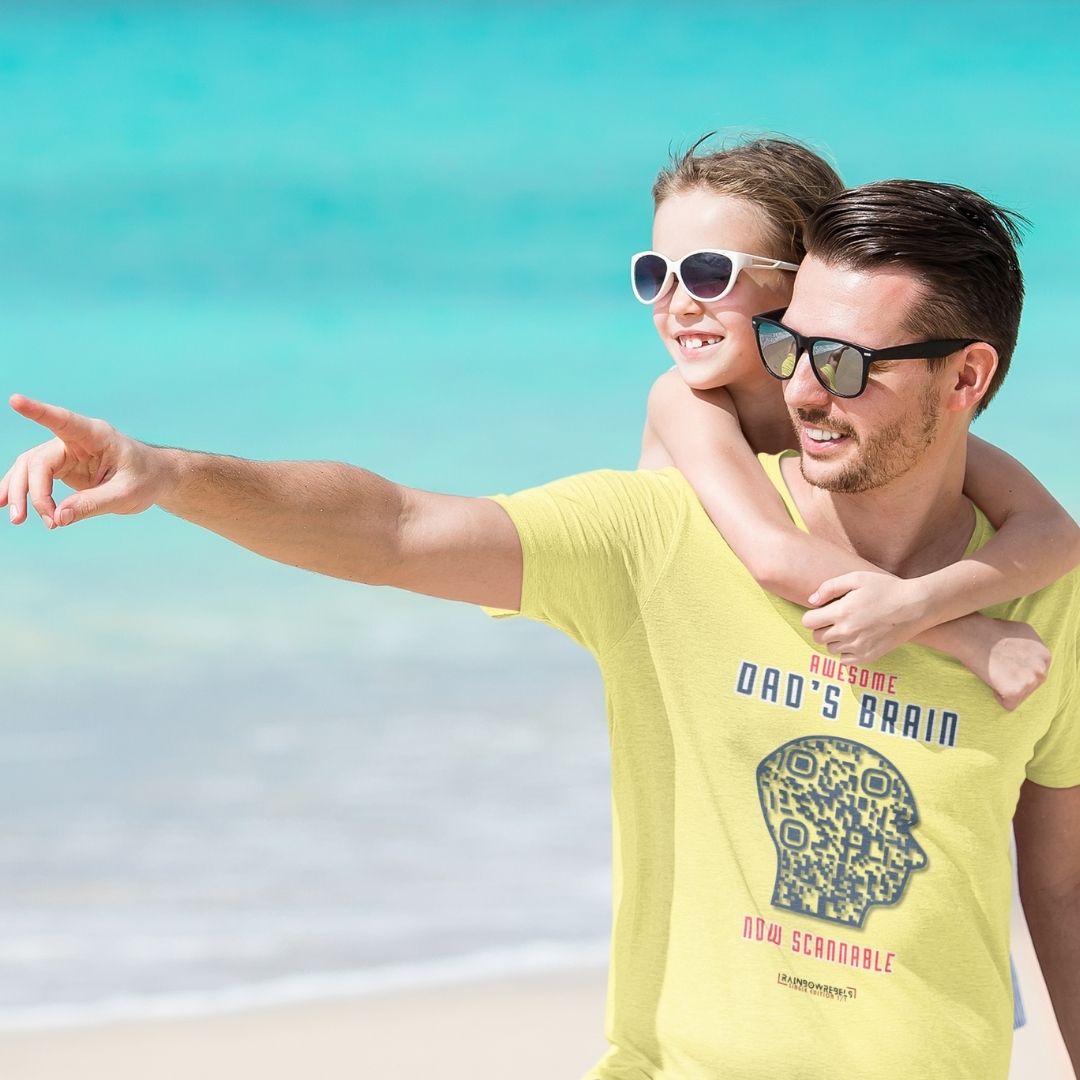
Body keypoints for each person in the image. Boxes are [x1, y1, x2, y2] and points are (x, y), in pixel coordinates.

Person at [3, 178, 1079, 1078]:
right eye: (793, 351)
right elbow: (394, 526)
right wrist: (173, 475)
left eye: (845, 365)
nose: (803, 389)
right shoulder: (666, 531)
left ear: (966, 378)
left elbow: (1065, 885)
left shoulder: (1044, 591)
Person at [634, 137, 1080, 709]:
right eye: (655, 273)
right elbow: (773, 551)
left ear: (809, 276)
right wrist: (962, 632)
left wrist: (922, 600)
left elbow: (1054, 534)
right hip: (688, 680)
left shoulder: (863, 405)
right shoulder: (685, 400)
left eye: (708, 273)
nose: (678, 302)